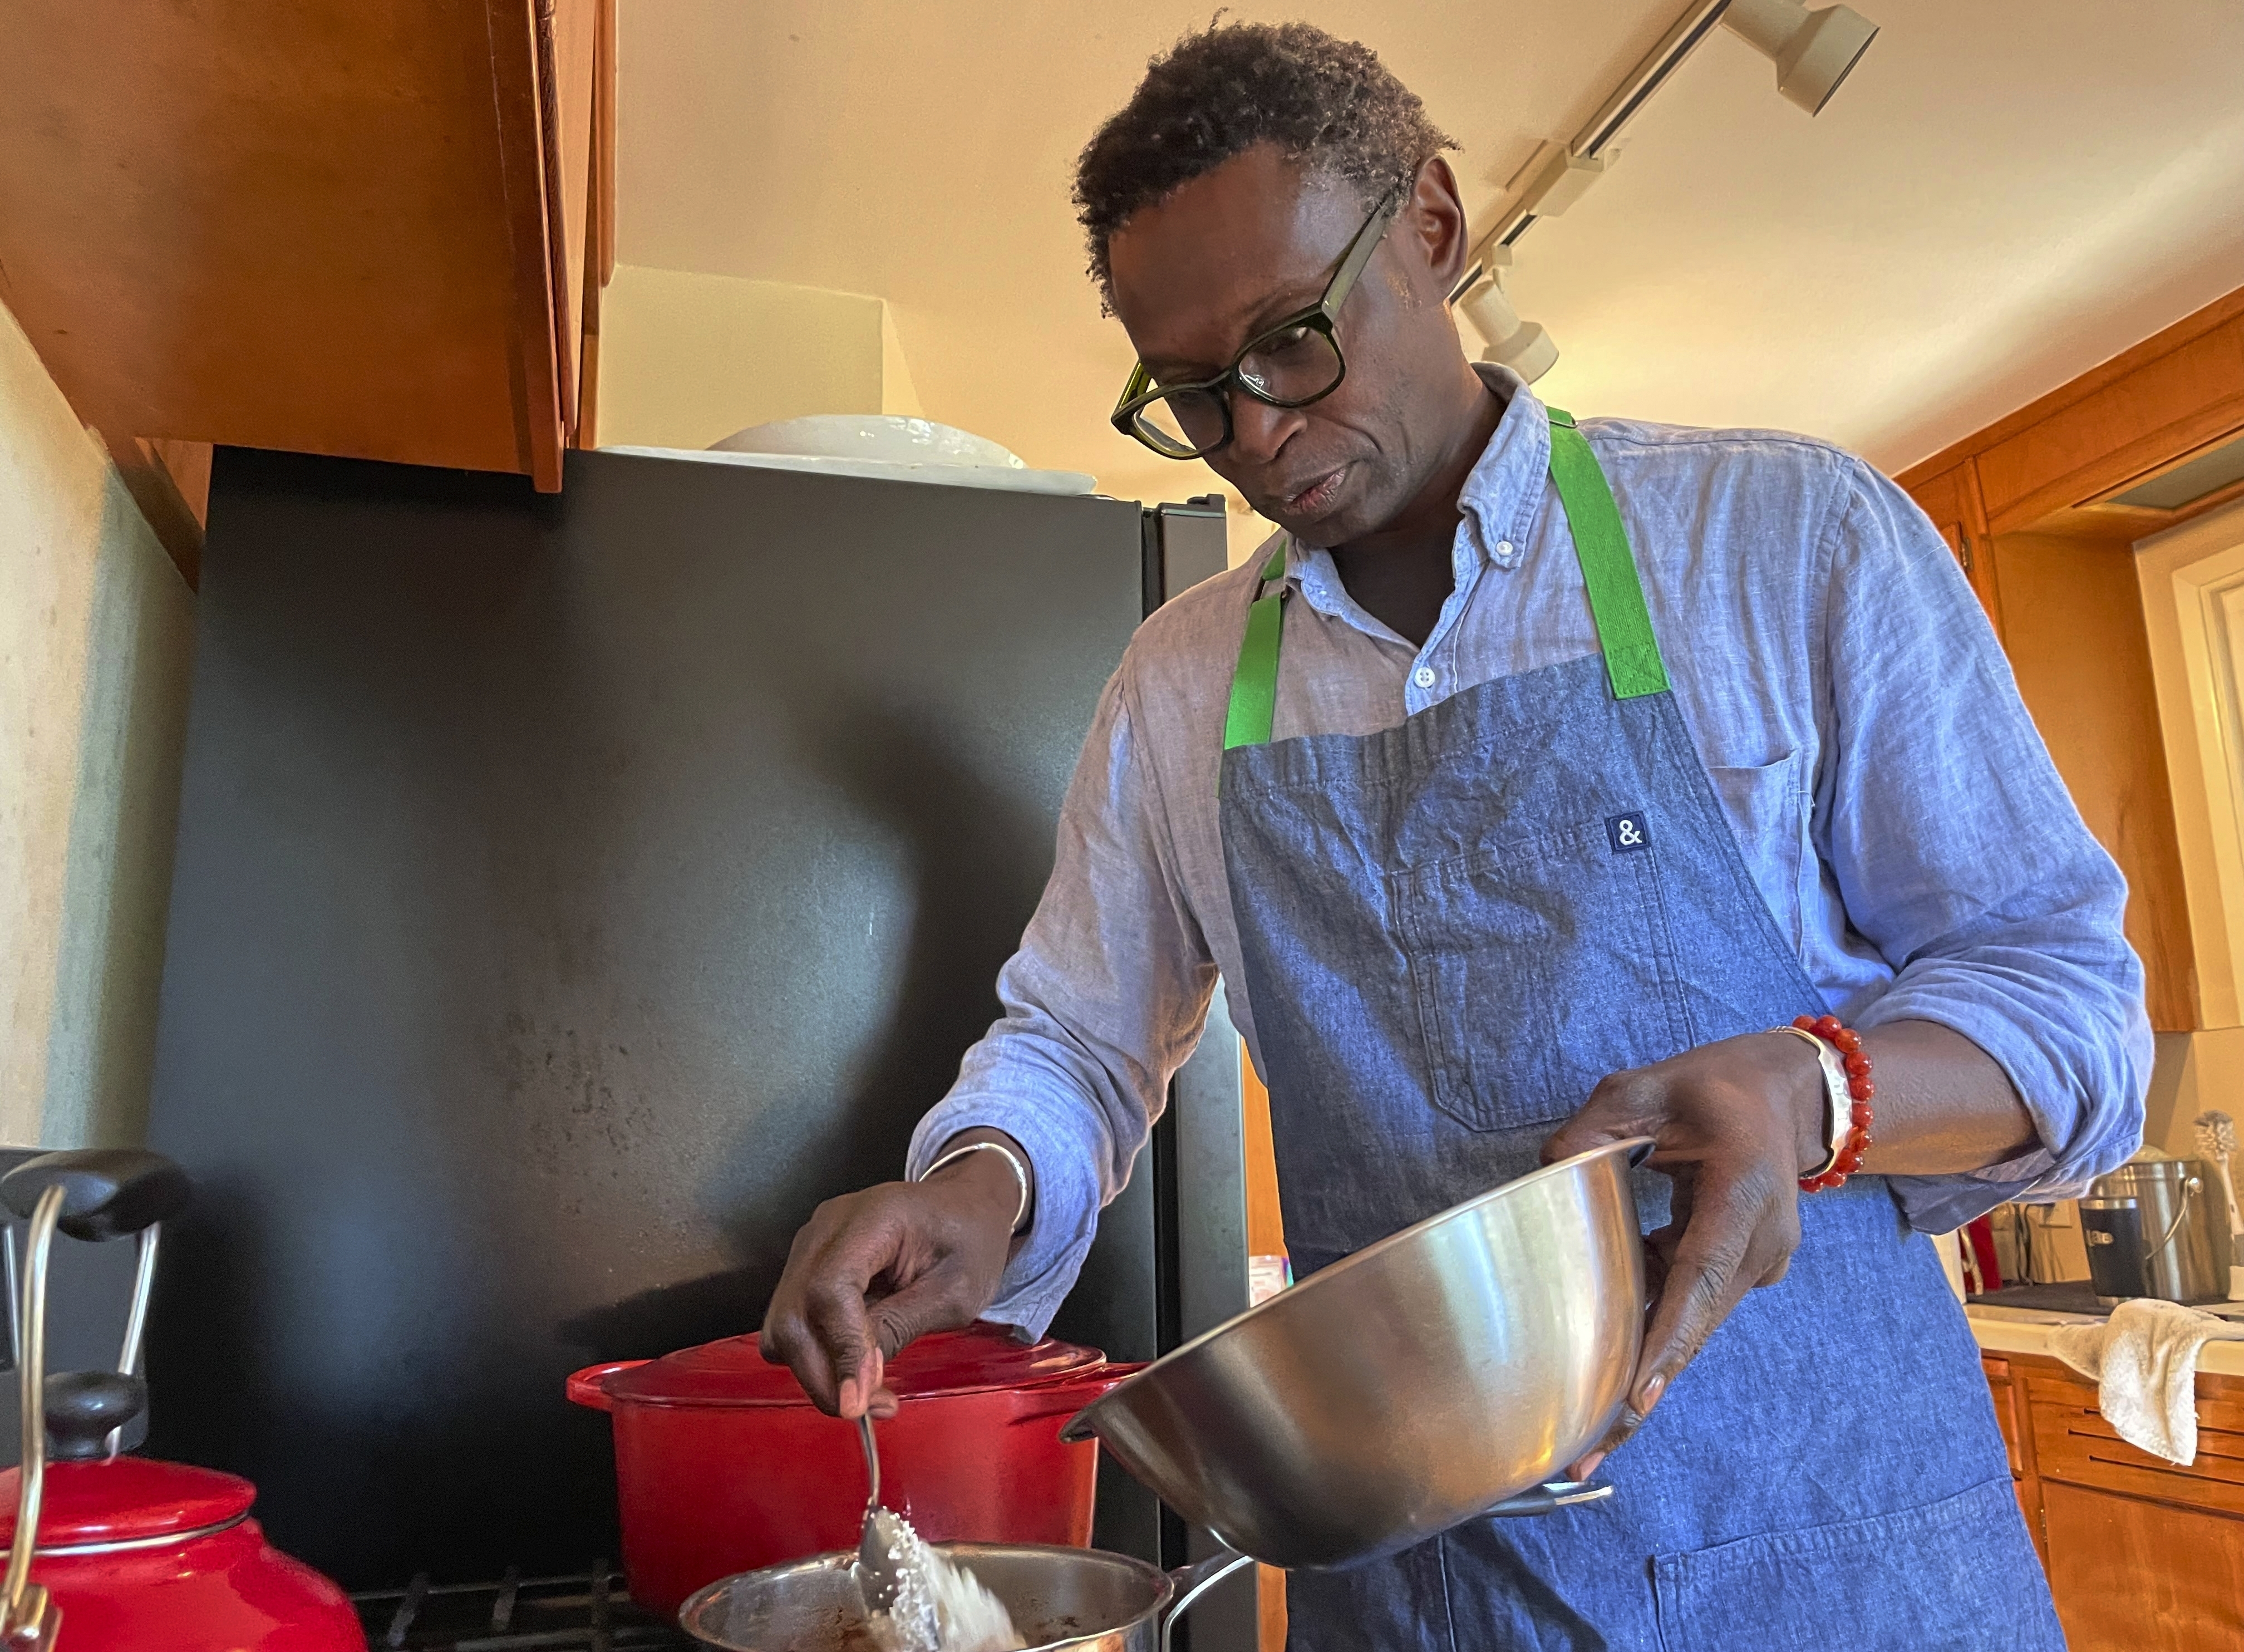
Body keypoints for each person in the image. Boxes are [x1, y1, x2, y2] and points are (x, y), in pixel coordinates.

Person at [761, 21, 2144, 1647]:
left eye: (1291, 343)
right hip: (1415, 1595)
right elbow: (1075, 1040)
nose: (1258, 432)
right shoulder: (1182, 684)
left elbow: (2070, 1010)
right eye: (1194, 394)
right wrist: (983, 1186)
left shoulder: (1786, 542)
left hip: (1826, 1561)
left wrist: (1822, 1088)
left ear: (1432, 226)